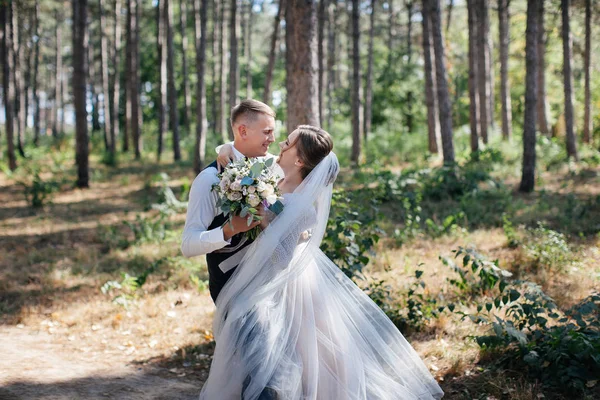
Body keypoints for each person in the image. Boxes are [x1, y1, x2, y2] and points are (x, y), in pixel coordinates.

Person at [199, 125, 444, 400]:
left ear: (300, 160)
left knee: (280, 359)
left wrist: (267, 224)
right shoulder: (271, 178)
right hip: (256, 278)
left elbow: (282, 261)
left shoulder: (302, 210)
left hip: (282, 288)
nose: (280, 145)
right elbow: (236, 154)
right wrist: (223, 151)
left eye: (288, 143)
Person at [181, 99, 278, 303]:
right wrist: (228, 230)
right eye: (267, 132)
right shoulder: (209, 179)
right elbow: (188, 244)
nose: (273, 138)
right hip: (232, 291)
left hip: (272, 285)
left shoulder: (272, 166)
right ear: (243, 131)